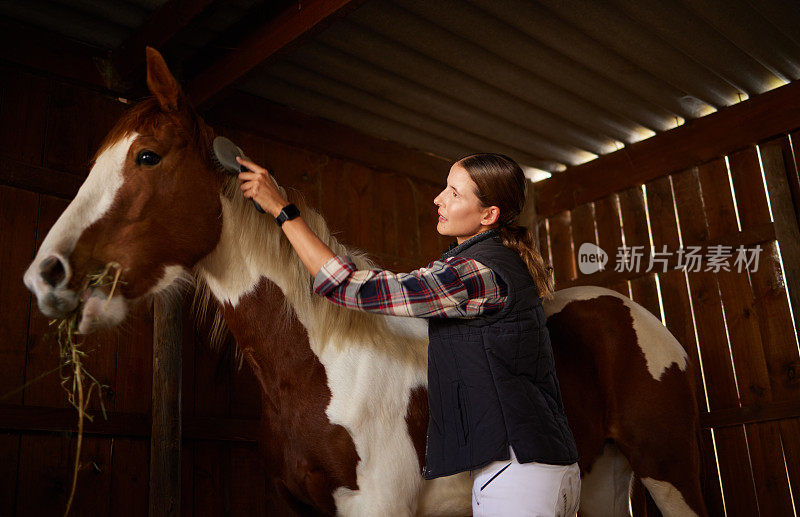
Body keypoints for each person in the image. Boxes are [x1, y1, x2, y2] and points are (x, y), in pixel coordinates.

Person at [236, 152, 581, 516]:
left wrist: (282, 210)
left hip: (519, 476)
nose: (439, 199)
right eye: (445, 188)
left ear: (488, 216)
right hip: (540, 467)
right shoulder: (494, 261)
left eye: (454, 193)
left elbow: (349, 286)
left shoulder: (476, 273)